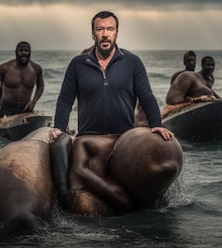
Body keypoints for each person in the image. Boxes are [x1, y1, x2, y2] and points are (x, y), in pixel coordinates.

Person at [50, 11, 174, 215]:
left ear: (117, 32)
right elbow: (65, 100)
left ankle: (130, 209)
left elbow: (147, 97)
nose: (105, 34)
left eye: (110, 29)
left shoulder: (132, 62)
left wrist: (156, 124)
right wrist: (59, 128)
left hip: (123, 140)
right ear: (93, 34)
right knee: (75, 180)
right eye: (100, 29)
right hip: (88, 138)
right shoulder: (77, 64)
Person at [0, 41, 44, 123]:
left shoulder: (36, 69)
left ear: (30, 52)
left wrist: (34, 101)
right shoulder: (5, 68)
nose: (24, 53)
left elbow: (41, 86)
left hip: (26, 110)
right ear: (16, 52)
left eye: (26, 50)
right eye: (21, 50)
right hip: (6, 109)